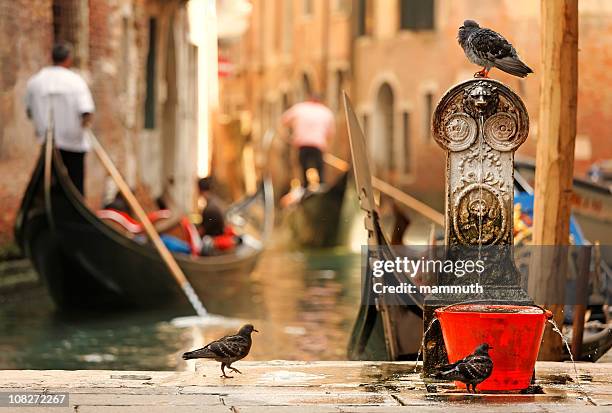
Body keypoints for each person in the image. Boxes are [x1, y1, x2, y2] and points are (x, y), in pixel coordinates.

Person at [24, 42, 95, 195]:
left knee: (50, 185)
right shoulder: (76, 82)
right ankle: (73, 216)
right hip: (74, 144)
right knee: (75, 186)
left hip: (48, 144)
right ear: (69, 59)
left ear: (52, 57)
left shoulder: (34, 82)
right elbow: (86, 113)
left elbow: (29, 113)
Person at [281, 93, 335, 188]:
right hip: (318, 145)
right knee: (320, 170)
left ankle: (305, 188)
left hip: (303, 145)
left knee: (303, 169)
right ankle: (321, 188)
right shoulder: (326, 112)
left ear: (309, 99)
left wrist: (289, 137)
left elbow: (284, 120)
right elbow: (330, 133)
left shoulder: (300, 108)